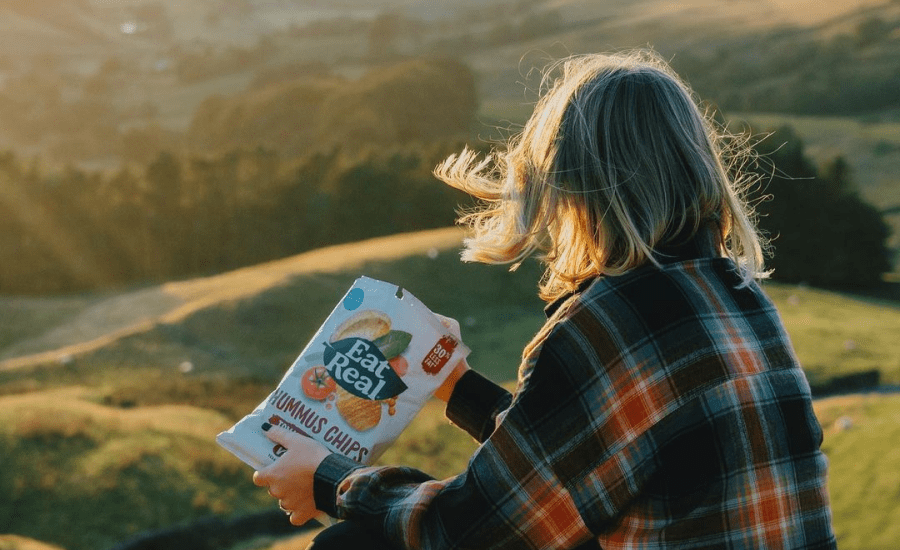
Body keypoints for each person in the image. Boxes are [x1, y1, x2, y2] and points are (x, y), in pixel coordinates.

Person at [252, 49, 837, 549]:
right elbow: (577, 464)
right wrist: (459, 387)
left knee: (353, 544)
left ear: (569, 189)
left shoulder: (610, 323)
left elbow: (474, 530)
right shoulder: (741, 298)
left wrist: (331, 482)